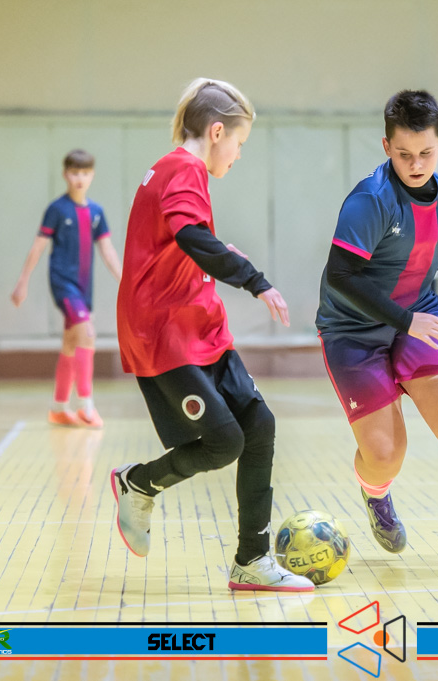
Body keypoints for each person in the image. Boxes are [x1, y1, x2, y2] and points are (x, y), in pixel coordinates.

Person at [109, 78, 312, 592]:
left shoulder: (176, 171)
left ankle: (251, 562)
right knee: (224, 442)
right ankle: (138, 482)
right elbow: (191, 237)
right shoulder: (183, 168)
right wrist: (255, 280)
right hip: (165, 333)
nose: (238, 154)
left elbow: (183, 240)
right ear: (217, 132)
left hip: (200, 325)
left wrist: (221, 249)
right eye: (239, 143)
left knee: (259, 425)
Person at [316, 90, 438, 568]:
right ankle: (375, 494)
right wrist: (406, 320)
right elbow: (340, 276)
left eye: (426, 152)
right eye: (404, 154)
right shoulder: (370, 201)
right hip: (354, 331)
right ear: (387, 146)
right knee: (386, 455)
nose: (416, 164)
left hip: (418, 319)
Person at [11, 149, 121, 428]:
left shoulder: (96, 212)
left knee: (72, 342)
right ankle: (86, 406)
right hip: (63, 283)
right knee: (88, 335)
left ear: (92, 175)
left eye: (85, 173)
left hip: (85, 288)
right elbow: (38, 248)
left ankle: (59, 407)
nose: (79, 178)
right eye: (74, 173)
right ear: (65, 175)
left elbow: (107, 250)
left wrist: (125, 281)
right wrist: (22, 282)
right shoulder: (57, 210)